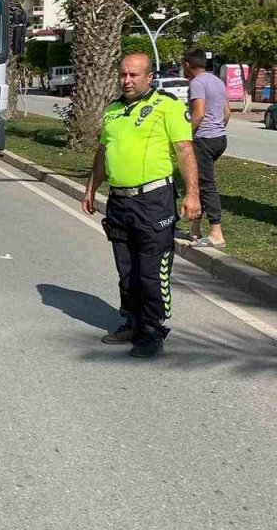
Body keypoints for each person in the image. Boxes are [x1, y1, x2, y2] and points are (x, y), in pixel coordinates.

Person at [82, 54, 200, 358]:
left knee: (151, 269)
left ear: (150, 77)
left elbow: (185, 150)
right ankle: (132, 321)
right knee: (127, 268)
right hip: (120, 201)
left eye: (134, 75)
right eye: (123, 74)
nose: (127, 80)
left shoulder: (167, 107)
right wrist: (91, 188)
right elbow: (103, 151)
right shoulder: (113, 110)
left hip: (153, 202)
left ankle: (152, 329)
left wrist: (192, 194)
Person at [182, 50, 230, 248]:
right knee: (200, 182)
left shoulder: (197, 83)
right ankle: (195, 230)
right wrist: (217, 129)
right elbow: (227, 112)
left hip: (204, 139)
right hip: (219, 138)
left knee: (207, 186)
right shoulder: (217, 81)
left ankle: (216, 233)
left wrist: (185, 135)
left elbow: (199, 113)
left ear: (186, 64)